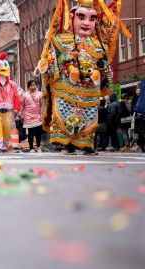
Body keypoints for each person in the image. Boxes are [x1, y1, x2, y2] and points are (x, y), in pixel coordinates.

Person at [34, 0, 128, 155]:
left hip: (89, 89)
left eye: (92, 19)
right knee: (65, 114)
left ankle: (86, 144)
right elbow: (52, 60)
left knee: (89, 116)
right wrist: (66, 60)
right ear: (72, 17)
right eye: (82, 17)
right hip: (66, 88)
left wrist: (101, 69)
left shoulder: (99, 45)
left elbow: (104, 64)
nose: (87, 23)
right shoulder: (61, 40)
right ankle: (68, 144)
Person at [19, 79, 43, 152]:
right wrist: (21, 114)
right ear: (28, 86)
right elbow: (22, 105)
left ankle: (38, 147)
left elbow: (42, 105)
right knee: (30, 133)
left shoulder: (40, 94)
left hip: (38, 116)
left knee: (38, 132)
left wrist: (42, 114)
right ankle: (31, 148)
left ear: (36, 86)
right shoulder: (24, 95)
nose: (33, 87)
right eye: (31, 85)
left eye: (34, 85)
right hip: (28, 116)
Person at [131, 85, 145, 152]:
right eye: (137, 91)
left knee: (141, 133)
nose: (138, 93)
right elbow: (132, 108)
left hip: (142, 117)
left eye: (139, 91)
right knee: (139, 134)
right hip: (138, 118)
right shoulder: (135, 99)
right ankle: (142, 148)